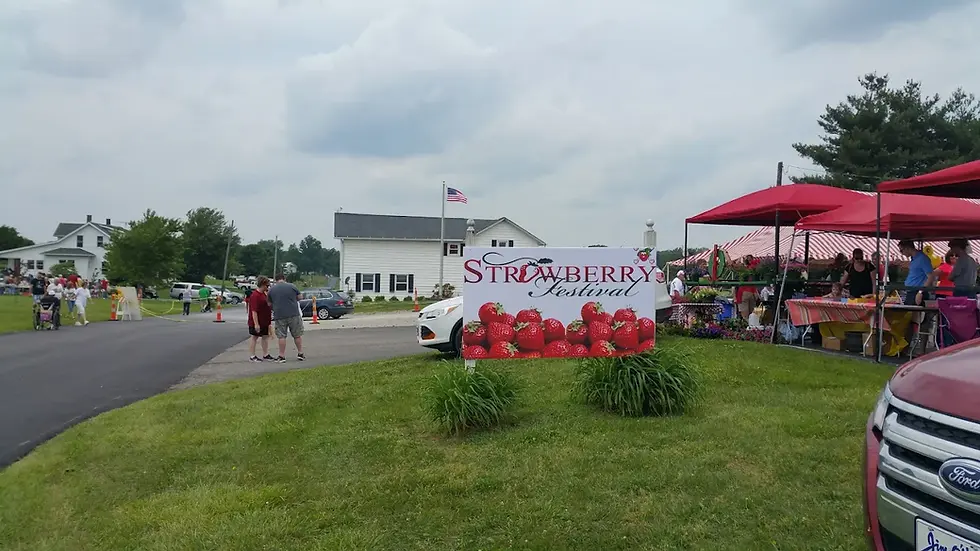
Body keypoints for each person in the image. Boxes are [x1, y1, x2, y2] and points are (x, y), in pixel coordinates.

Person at [268, 273, 305, 363]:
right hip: (294, 314)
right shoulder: (292, 286)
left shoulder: (272, 290)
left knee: (281, 336)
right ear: (284, 278)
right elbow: (300, 297)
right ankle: (300, 353)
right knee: (297, 335)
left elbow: (269, 303)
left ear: (276, 280)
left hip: (279, 315)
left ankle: (282, 355)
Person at [898, 240, 934, 305]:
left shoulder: (922, 258)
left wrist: (920, 292)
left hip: (917, 292)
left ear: (907, 248)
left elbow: (931, 277)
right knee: (911, 313)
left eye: (901, 250)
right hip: (911, 291)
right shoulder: (914, 258)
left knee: (914, 312)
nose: (901, 253)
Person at [247, 276, 274, 362]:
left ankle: (265, 354)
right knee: (254, 337)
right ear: (262, 285)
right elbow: (254, 311)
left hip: (265, 320)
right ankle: (252, 355)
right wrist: (256, 324)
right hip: (257, 320)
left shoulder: (264, 294)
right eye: (267, 285)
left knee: (265, 336)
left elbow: (268, 304)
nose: (268, 287)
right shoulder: (255, 295)